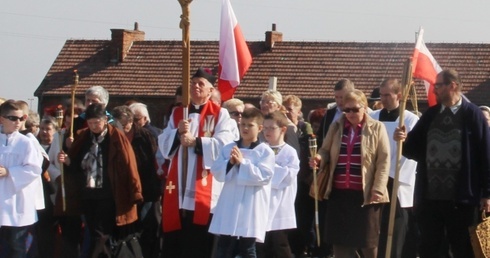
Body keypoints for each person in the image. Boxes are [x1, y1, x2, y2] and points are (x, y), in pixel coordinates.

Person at [394, 69, 490, 258]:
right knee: (431, 247)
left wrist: (487, 193)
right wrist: (402, 139)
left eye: (438, 86)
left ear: (452, 86)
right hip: (431, 198)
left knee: (462, 248)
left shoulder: (472, 116)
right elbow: (413, 149)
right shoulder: (431, 115)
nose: (434, 90)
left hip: (462, 198)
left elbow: (486, 155)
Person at [158, 67, 237, 257]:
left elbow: (225, 144)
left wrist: (197, 142)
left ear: (211, 90)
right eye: (193, 83)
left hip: (203, 184)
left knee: (199, 241)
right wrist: (177, 133)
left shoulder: (220, 114)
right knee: (176, 238)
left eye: (201, 84)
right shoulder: (178, 113)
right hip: (178, 183)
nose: (196, 87)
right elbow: (164, 143)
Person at [311, 89, 390, 258]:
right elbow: (325, 150)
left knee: (368, 244)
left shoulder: (377, 127)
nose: (351, 113)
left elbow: (383, 160)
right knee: (340, 243)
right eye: (347, 110)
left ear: (364, 107)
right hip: (339, 193)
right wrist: (318, 158)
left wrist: (378, 188)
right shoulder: (336, 125)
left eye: (355, 109)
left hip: (366, 194)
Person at [57, 103, 143, 257]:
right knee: (94, 230)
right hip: (88, 193)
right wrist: (68, 160)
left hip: (108, 194)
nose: (94, 126)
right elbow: (76, 165)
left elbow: (129, 166)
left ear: (105, 120)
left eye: (97, 122)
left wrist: (134, 190)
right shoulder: (83, 137)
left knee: (101, 233)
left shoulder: (116, 138)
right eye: (90, 123)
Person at [209, 107, 275, 258]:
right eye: (242, 124)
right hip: (229, 205)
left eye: (250, 125)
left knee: (247, 249)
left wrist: (242, 163)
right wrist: (230, 163)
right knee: (224, 246)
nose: (245, 128)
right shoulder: (229, 148)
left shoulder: (265, 151)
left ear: (260, 128)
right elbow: (217, 172)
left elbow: (264, 176)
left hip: (250, 207)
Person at [370, 78, 419, 258]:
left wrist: (392, 176)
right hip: (376, 179)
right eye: (381, 95)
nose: (382, 99)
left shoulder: (410, 119)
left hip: (397, 181)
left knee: (397, 230)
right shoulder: (373, 117)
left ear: (399, 95)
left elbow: (413, 153)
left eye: (387, 95)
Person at [112, 105, 162, 258]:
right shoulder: (112, 137)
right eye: (118, 126)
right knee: (129, 229)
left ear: (131, 123)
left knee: (149, 227)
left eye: (125, 126)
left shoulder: (145, 136)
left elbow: (155, 161)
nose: (123, 130)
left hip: (147, 189)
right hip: (123, 191)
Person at [0, 100, 44, 257]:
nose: (18, 122)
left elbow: (35, 168)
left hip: (17, 202)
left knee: (17, 247)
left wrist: (10, 172)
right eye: (13, 118)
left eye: (21, 118)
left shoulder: (26, 142)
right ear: (2, 119)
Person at [257, 111, 300, 258]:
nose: (267, 132)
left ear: (283, 129)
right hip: (262, 203)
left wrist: (266, 170)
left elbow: (287, 177)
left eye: (271, 128)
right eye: (265, 128)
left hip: (280, 204)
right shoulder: (261, 149)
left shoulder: (290, 152)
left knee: (279, 244)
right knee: (262, 245)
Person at [316, 79, 355, 148]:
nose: (339, 100)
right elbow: (321, 136)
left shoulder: (359, 114)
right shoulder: (329, 114)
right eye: (336, 97)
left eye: (341, 97)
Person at [259, 90, 300, 154]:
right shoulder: (257, 124)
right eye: (262, 102)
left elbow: (294, 152)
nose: (264, 105)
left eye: (269, 102)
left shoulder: (288, 127)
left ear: (278, 106)